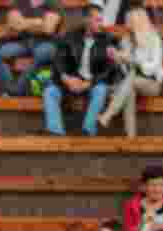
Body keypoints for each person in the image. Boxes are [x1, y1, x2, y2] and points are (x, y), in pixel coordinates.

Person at [42, 4, 118, 136]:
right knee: (50, 91)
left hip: (92, 82)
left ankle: (88, 130)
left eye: (102, 20)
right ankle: (56, 131)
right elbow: (59, 61)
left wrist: (89, 83)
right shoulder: (70, 36)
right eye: (98, 20)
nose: (102, 24)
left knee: (101, 89)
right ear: (87, 20)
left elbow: (109, 70)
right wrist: (67, 79)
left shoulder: (108, 39)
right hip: (72, 80)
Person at [97, 1, 163, 138]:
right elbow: (125, 69)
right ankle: (131, 135)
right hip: (131, 81)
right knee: (130, 88)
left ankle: (109, 113)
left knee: (131, 80)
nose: (125, 23)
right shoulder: (126, 40)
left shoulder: (154, 38)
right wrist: (117, 58)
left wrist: (133, 60)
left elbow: (154, 67)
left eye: (128, 20)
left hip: (152, 83)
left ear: (136, 20)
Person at [0, 0, 64, 97]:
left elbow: (48, 29)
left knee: (42, 54)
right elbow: (13, 24)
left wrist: (23, 23)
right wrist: (37, 22)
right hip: (23, 42)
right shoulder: (19, 2)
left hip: (47, 42)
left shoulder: (54, 3)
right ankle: (11, 89)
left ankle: (16, 90)